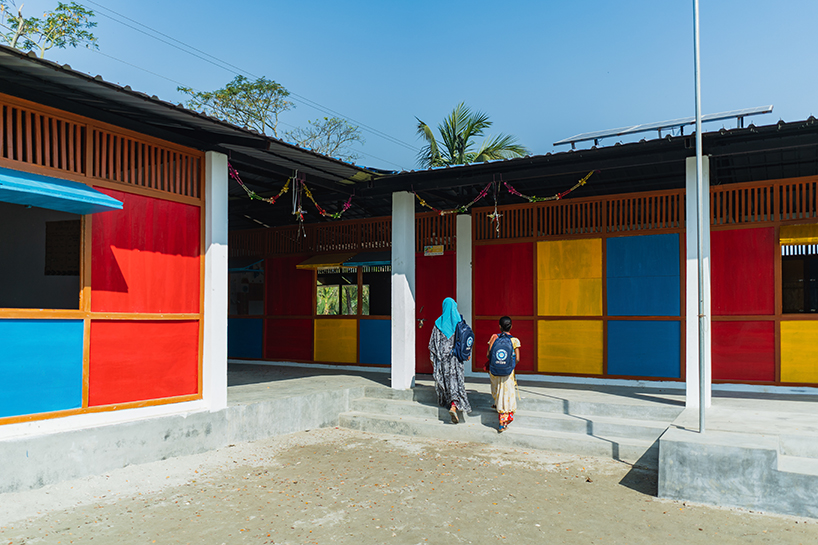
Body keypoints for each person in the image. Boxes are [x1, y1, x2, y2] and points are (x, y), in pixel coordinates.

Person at [428, 297, 472, 423]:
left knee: (446, 382)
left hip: (443, 360)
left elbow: (432, 344)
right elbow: (466, 341)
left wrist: (433, 360)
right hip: (456, 360)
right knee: (456, 381)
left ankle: (450, 403)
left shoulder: (438, 324)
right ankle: (454, 405)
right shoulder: (460, 323)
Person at [487, 316, 520, 432]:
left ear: (499, 326)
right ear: (511, 326)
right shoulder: (514, 340)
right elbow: (518, 358)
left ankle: (496, 405)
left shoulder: (494, 337)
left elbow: (488, 354)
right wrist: (510, 367)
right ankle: (503, 422)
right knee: (506, 395)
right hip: (508, 373)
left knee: (497, 392)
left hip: (495, 371)